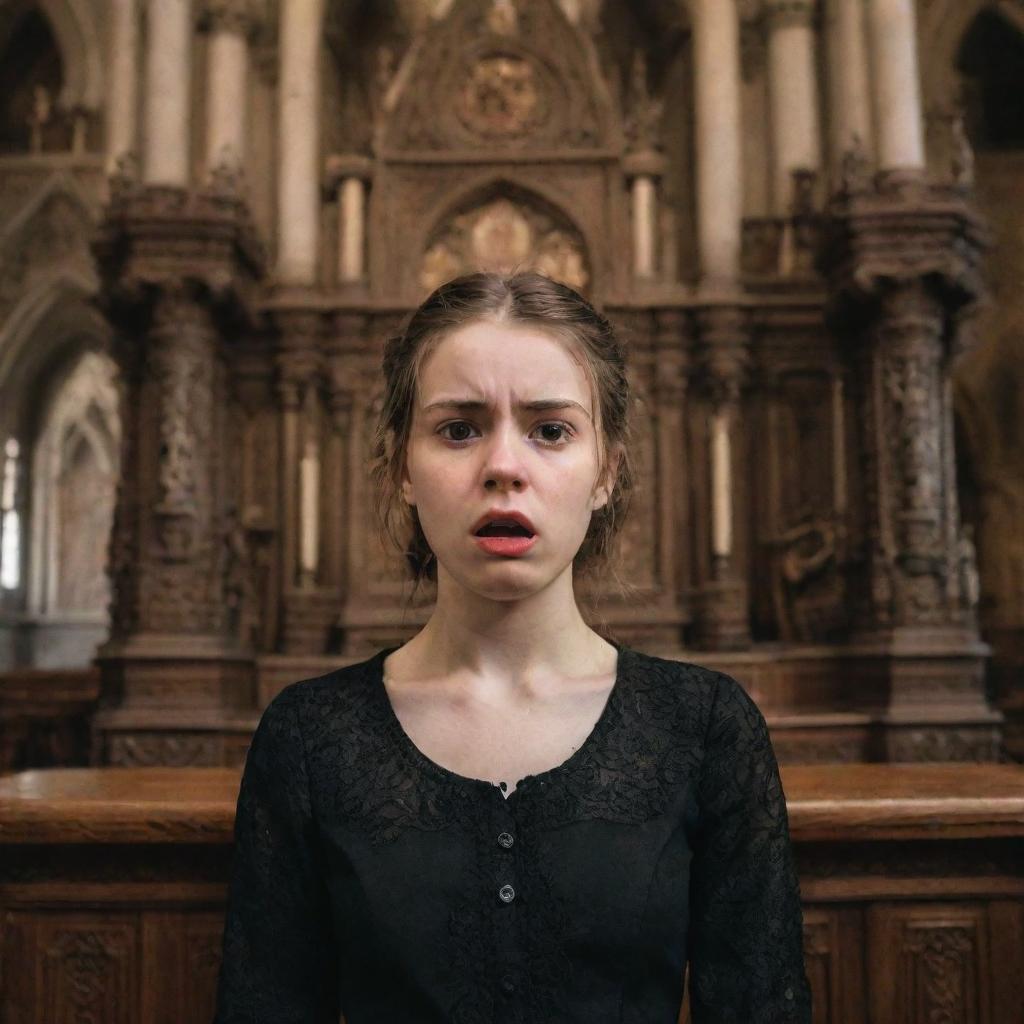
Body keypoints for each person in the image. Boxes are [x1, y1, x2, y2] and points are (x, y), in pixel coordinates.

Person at [212, 271, 812, 1022]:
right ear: (402, 466)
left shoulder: (705, 728)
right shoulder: (308, 737)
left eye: (551, 429)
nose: (503, 466)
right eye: (458, 428)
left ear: (607, 471)